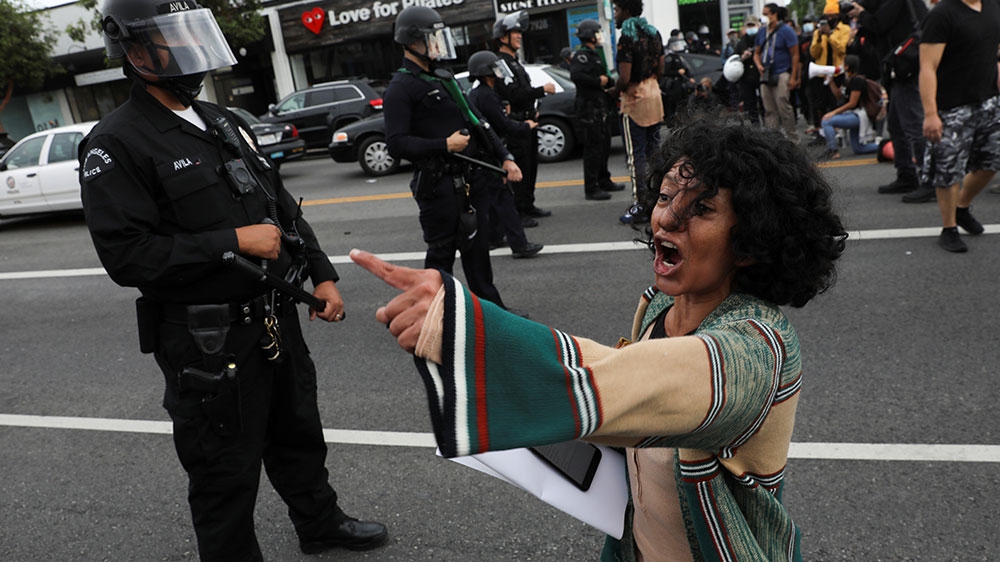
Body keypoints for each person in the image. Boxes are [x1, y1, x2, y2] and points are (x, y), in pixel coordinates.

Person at [349, 117, 848, 562]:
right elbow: (625, 407)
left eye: (703, 209)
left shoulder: (762, 349)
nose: (667, 218)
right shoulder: (659, 306)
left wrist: (460, 325)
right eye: (666, 194)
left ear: (751, 242)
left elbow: (637, 383)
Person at [76, 1, 388, 560]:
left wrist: (321, 273)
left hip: (273, 315)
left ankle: (319, 525)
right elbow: (127, 258)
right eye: (173, 37)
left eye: (190, 34)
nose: (188, 49)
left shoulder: (223, 120)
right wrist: (233, 241)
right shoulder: (115, 142)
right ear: (135, 50)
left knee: (298, 434)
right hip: (206, 339)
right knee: (224, 469)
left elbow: (280, 207)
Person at [383, 6, 522, 306]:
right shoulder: (401, 87)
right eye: (432, 38)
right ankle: (430, 316)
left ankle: (492, 315)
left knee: (478, 255)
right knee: (440, 258)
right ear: (412, 41)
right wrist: (443, 145)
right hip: (438, 187)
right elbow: (395, 144)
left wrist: (505, 156)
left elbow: (478, 122)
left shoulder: (444, 78)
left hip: (472, 181)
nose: (438, 45)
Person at [916, 0, 1000, 252]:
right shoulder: (942, 14)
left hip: (988, 102)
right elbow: (927, 67)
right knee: (948, 170)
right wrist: (931, 114)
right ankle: (949, 227)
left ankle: (961, 207)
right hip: (951, 107)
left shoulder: (994, 6)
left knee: (992, 162)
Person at [466, 50, 544, 259]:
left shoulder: (481, 93)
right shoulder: (486, 95)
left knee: (493, 198)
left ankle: (494, 237)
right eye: (494, 68)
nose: (499, 71)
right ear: (486, 72)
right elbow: (501, 125)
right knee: (504, 199)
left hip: (485, 153)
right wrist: (525, 126)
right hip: (490, 153)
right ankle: (519, 244)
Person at [849, 0, 930, 200]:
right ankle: (907, 175)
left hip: (906, 68)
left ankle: (930, 181)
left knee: (913, 125)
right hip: (899, 68)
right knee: (896, 125)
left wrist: (861, 14)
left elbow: (879, 23)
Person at [494, 10, 555, 225]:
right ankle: (520, 212)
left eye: (520, 32)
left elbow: (522, 93)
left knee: (530, 168)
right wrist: (542, 90)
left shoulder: (515, 63)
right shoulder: (500, 64)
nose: (519, 36)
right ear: (503, 37)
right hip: (517, 125)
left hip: (528, 122)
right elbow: (513, 94)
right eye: (514, 33)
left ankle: (528, 204)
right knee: (521, 168)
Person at [613, 0, 665, 225]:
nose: (615, 14)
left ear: (625, 11)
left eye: (616, 9)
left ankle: (641, 204)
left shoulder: (627, 37)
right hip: (654, 95)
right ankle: (658, 199)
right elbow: (661, 69)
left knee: (637, 155)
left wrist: (613, 90)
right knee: (656, 152)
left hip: (635, 100)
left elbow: (625, 79)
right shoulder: (654, 33)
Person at [570, 19, 620, 201]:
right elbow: (576, 75)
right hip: (589, 109)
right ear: (589, 35)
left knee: (604, 144)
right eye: (596, 33)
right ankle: (591, 188)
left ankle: (603, 179)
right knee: (593, 148)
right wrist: (598, 81)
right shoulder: (582, 55)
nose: (599, 36)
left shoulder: (595, 53)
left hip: (600, 108)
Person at [754, 3, 802, 143]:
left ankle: (793, 139)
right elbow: (756, 53)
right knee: (769, 109)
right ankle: (773, 140)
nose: (764, 17)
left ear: (774, 14)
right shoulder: (762, 32)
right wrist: (759, 65)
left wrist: (793, 77)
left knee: (783, 104)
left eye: (766, 14)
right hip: (766, 72)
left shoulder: (786, 31)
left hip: (781, 71)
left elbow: (795, 55)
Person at [819, 54, 882, 159]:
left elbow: (852, 103)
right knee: (858, 148)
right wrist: (830, 82)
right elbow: (839, 96)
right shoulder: (848, 79)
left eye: (843, 63)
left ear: (847, 66)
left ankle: (833, 151)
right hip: (853, 114)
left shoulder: (857, 80)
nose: (841, 65)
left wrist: (833, 113)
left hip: (859, 116)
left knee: (826, 121)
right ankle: (884, 146)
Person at [735, 15, 763, 124]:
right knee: (750, 106)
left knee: (765, 105)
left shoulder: (762, 39)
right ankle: (755, 129)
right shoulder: (741, 43)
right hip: (746, 78)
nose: (751, 28)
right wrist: (742, 57)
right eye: (749, 25)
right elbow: (734, 59)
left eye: (753, 25)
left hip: (760, 75)